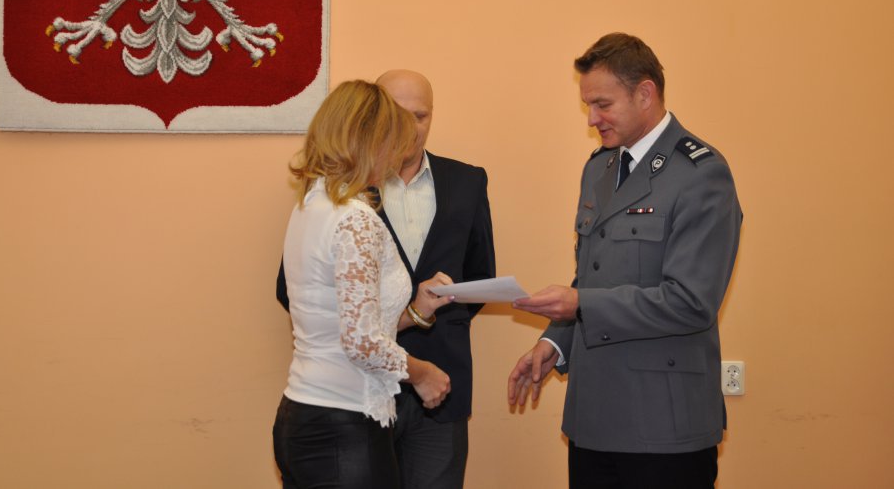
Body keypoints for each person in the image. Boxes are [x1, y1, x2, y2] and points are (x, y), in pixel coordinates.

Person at [507, 33, 742, 489]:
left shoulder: (701, 173)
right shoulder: (600, 167)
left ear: (645, 93)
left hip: (664, 426)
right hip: (594, 418)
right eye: (588, 105)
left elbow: (691, 302)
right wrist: (554, 343)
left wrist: (579, 304)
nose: (592, 119)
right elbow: (594, 275)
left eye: (602, 105)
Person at [277, 70, 496, 489]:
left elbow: (346, 318)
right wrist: (422, 373)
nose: (401, 148)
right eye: (393, 134)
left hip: (305, 411)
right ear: (369, 138)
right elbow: (361, 341)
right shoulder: (355, 218)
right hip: (345, 422)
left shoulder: (312, 203)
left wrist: (417, 312)